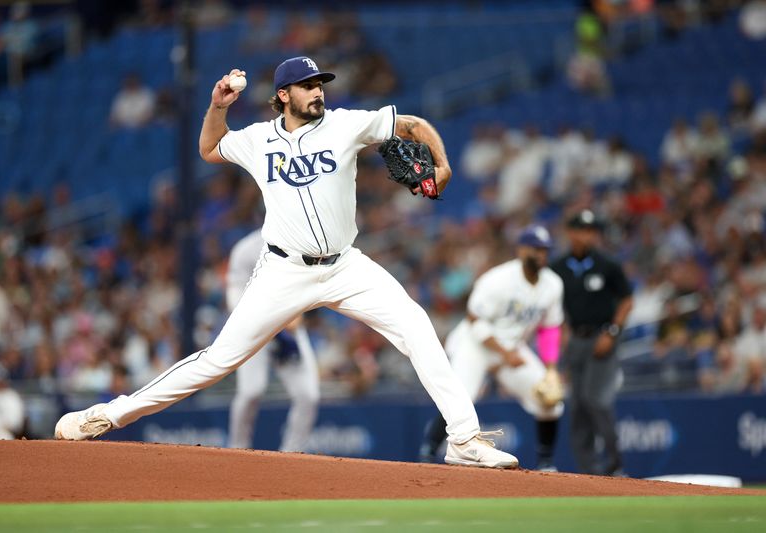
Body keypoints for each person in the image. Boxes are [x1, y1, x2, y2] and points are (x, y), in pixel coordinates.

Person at [54, 56, 518, 469]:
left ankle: (464, 439)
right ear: (284, 95)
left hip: (345, 266)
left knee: (417, 327)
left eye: (321, 83)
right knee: (218, 360)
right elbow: (211, 150)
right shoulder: (258, 139)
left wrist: (442, 163)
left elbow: (412, 125)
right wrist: (218, 106)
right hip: (284, 270)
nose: (319, 91)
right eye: (308, 85)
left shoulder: (344, 124)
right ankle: (107, 415)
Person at [418, 225, 565, 470]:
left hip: (512, 349)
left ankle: (546, 462)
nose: (540, 255)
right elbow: (475, 319)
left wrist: (551, 368)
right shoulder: (498, 279)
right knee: (459, 398)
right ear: (521, 250)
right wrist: (505, 353)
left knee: (549, 398)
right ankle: (427, 453)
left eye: (544, 250)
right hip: (476, 346)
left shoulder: (553, 285)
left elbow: (549, 329)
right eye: (535, 249)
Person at [550, 209, 632, 476]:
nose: (589, 236)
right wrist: (561, 335)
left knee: (595, 399)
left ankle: (615, 462)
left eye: (592, 231)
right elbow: (552, 307)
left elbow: (626, 300)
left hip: (602, 337)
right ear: (571, 233)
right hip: (575, 339)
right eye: (583, 230)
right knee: (578, 406)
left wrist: (613, 331)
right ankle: (589, 472)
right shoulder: (558, 269)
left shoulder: (607, 265)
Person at [226, 229, 319, 452]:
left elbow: (309, 285)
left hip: (288, 329)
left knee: (309, 395)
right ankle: (237, 449)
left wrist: (295, 315)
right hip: (254, 330)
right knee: (251, 392)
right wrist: (266, 321)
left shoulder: (302, 241)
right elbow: (234, 297)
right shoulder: (246, 249)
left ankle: (292, 453)